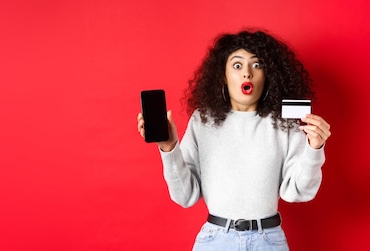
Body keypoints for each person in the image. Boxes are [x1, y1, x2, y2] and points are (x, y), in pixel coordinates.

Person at [136, 29, 331, 250]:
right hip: (215, 240)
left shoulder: (283, 124)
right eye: (237, 66)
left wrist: (315, 149)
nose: (247, 73)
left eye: (256, 65)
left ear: (268, 75)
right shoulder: (203, 120)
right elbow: (185, 196)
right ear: (223, 75)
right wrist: (169, 147)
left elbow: (298, 192)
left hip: (268, 241)